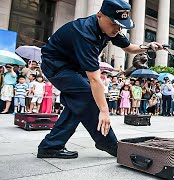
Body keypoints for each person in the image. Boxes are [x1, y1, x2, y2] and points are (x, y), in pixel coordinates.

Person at [37, 0, 163, 159]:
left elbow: (129, 47)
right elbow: (95, 79)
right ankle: (108, 143)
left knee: (77, 104)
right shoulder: (84, 33)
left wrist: (148, 46)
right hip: (56, 65)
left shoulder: (110, 29)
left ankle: (50, 146)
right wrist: (104, 111)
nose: (117, 29)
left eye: (120, 25)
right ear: (99, 15)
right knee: (87, 97)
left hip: (74, 67)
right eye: (114, 24)